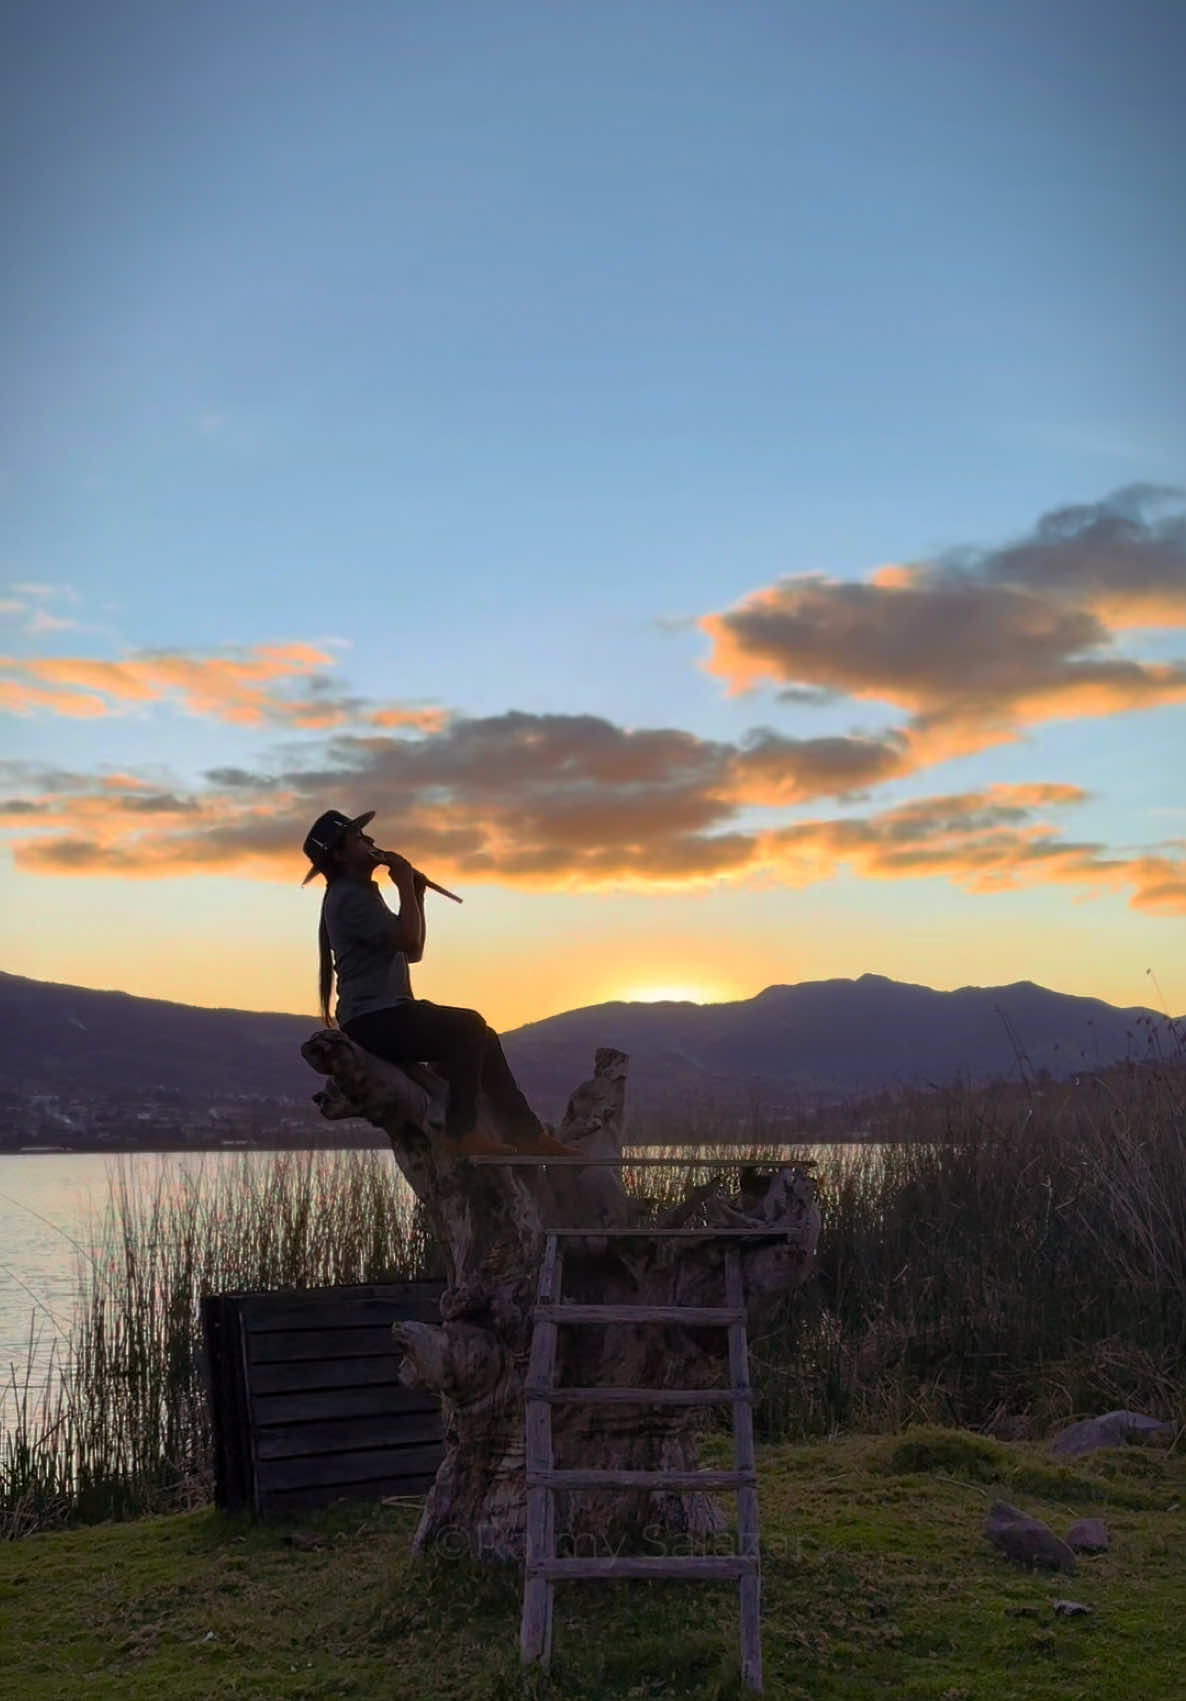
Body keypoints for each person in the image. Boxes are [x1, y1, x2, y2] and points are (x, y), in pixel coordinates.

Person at [301, 808, 581, 1160]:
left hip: (384, 1012)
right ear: (340, 855)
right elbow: (408, 940)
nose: (371, 841)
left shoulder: (359, 893)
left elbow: (411, 949)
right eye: (358, 838)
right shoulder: (349, 898)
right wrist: (403, 883)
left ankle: (528, 1134)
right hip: (373, 1019)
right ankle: (460, 1133)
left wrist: (415, 894)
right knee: (468, 1026)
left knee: (483, 1037)